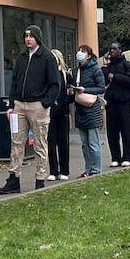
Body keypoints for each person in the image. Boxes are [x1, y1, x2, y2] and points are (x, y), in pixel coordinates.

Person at [0, 25, 60, 194]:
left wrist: (45, 103)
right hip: (20, 104)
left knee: (40, 143)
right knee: (16, 142)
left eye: (31, 36)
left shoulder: (47, 57)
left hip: (37, 105)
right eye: (26, 36)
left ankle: (40, 178)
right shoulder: (22, 57)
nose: (28, 39)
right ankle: (13, 178)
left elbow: (55, 84)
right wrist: (11, 105)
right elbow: (15, 82)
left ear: (37, 37)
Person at [101, 42, 130, 167]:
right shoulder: (108, 66)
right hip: (111, 103)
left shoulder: (127, 65)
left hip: (124, 103)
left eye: (114, 49)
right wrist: (105, 66)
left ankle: (127, 157)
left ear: (120, 50)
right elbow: (103, 81)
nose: (112, 51)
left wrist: (115, 77)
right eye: (110, 49)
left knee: (126, 132)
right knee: (112, 133)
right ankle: (115, 157)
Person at [70, 45, 105, 176]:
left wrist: (86, 90)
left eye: (83, 52)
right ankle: (88, 169)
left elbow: (101, 88)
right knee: (85, 144)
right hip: (80, 110)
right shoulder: (76, 71)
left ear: (89, 55)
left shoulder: (95, 69)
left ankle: (96, 169)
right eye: (79, 51)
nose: (80, 53)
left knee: (93, 142)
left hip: (92, 110)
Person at [45, 49, 72, 181]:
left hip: (63, 112)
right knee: (51, 142)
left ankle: (64, 170)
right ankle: (53, 170)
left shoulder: (66, 75)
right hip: (50, 112)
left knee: (63, 142)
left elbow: (71, 95)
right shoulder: (46, 75)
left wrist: (69, 96)